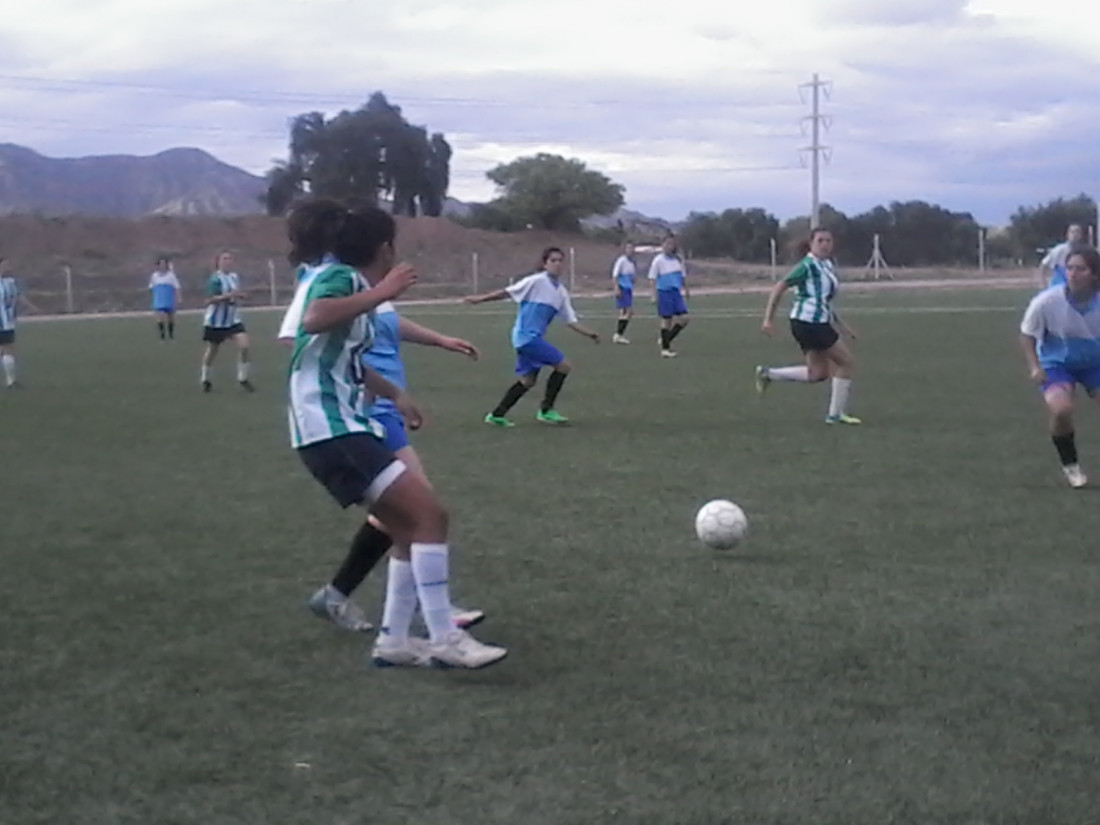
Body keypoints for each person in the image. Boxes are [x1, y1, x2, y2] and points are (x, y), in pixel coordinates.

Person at [286, 198, 506, 669]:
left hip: (342, 424)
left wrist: (395, 395)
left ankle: (394, 640)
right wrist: (382, 290)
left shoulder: (354, 286)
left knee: (406, 525)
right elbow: (313, 318)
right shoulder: (342, 277)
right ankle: (445, 636)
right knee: (430, 516)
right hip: (329, 426)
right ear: (384, 247)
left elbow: (344, 356)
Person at [466, 247, 600, 427]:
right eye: (553, 260)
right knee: (563, 366)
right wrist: (479, 299)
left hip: (530, 339)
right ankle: (546, 410)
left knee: (528, 381)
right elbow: (507, 292)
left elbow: (570, 320)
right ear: (545, 264)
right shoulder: (536, 281)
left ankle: (496, 415)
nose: (557, 264)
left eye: (560, 260)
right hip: (526, 338)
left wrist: (590, 333)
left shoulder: (560, 292)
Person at [754, 228, 861, 425]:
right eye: (820, 240)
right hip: (809, 323)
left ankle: (768, 373)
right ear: (811, 244)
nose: (825, 244)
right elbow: (780, 287)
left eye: (828, 240)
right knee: (846, 363)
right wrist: (768, 319)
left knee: (818, 374)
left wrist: (843, 325)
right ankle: (835, 415)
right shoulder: (807, 265)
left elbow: (825, 301)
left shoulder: (826, 265)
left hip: (813, 323)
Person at [1020, 246, 1100, 489]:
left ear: (1094, 274)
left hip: (1094, 362)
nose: (1073, 273)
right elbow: (1027, 334)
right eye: (1070, 268)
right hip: (1057, 363)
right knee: (1061, 410)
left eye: (1080, 269)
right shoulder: (1046, 301)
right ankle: (1071, 466)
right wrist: (1035, 366)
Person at [200, 251, 253, 393]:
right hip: (216, 321)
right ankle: (205, 378)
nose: (227, 261)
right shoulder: (215, 279)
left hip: (233, 319)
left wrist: (240, 296)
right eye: (224, 259)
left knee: (244, 346)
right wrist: (228, 296)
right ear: (218, 262)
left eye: (230, 259)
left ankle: (242, 378)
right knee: (213, 350)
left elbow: (235, 295)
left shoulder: (234, 277)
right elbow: (209, 300)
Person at [647, 234, 690, 358]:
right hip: (664, 292)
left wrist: (686, 289)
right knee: (666, 320)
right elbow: (652, 279)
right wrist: (653, 295)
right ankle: (665, 350)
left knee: (685, 319)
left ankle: (666, 339)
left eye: (671, 244)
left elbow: (682, 276)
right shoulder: (658, 260)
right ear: (662, 245)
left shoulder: (678, 259)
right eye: (667, 244)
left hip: (676, 293)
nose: (669, 246)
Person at [0, 258, 37, 389]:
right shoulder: (10, 283)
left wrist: (32, 307)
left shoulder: (11, 282)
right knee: (6, 349)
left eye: (8, 265)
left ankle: (11, 381)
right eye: (4, 265)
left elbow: (20, 297)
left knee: (7, 349)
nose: (8, 267)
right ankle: (11, 381)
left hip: (7, 322)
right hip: (3, 322)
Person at [1037, 224, 1085, 290]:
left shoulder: (1083, 251)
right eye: (1072, 232)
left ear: (1080, 235)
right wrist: (1043, 284)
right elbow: (1043, 265)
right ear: (1068, 235)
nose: (1075, 234)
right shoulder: (1059, 249)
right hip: (1058, 286)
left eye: (1077, 232)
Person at [148, 258, 181, 340]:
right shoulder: (154, 276)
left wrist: (178, 297)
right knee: (160, 316)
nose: (162, 266)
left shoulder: (171, 275)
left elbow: (176, 287)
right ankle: (162, 334)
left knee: (171, 317)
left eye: (164, 264)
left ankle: (171, 334)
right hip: (159, 298)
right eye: (160, 264)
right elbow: (151, 287)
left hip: (169, 297)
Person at [611, 241, 636, 344]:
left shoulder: (632, 263)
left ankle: (619, 335)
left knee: (625, 312)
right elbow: (615, 275)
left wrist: (633, 280)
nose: (631, 250)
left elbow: (632, 276)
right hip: (623, 288)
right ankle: (618, 335)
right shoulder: (621, 260)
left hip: (628, 289)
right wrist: (617, 288)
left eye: (632, 248)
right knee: (627, 312)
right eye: (628, 248)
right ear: (625, 249)